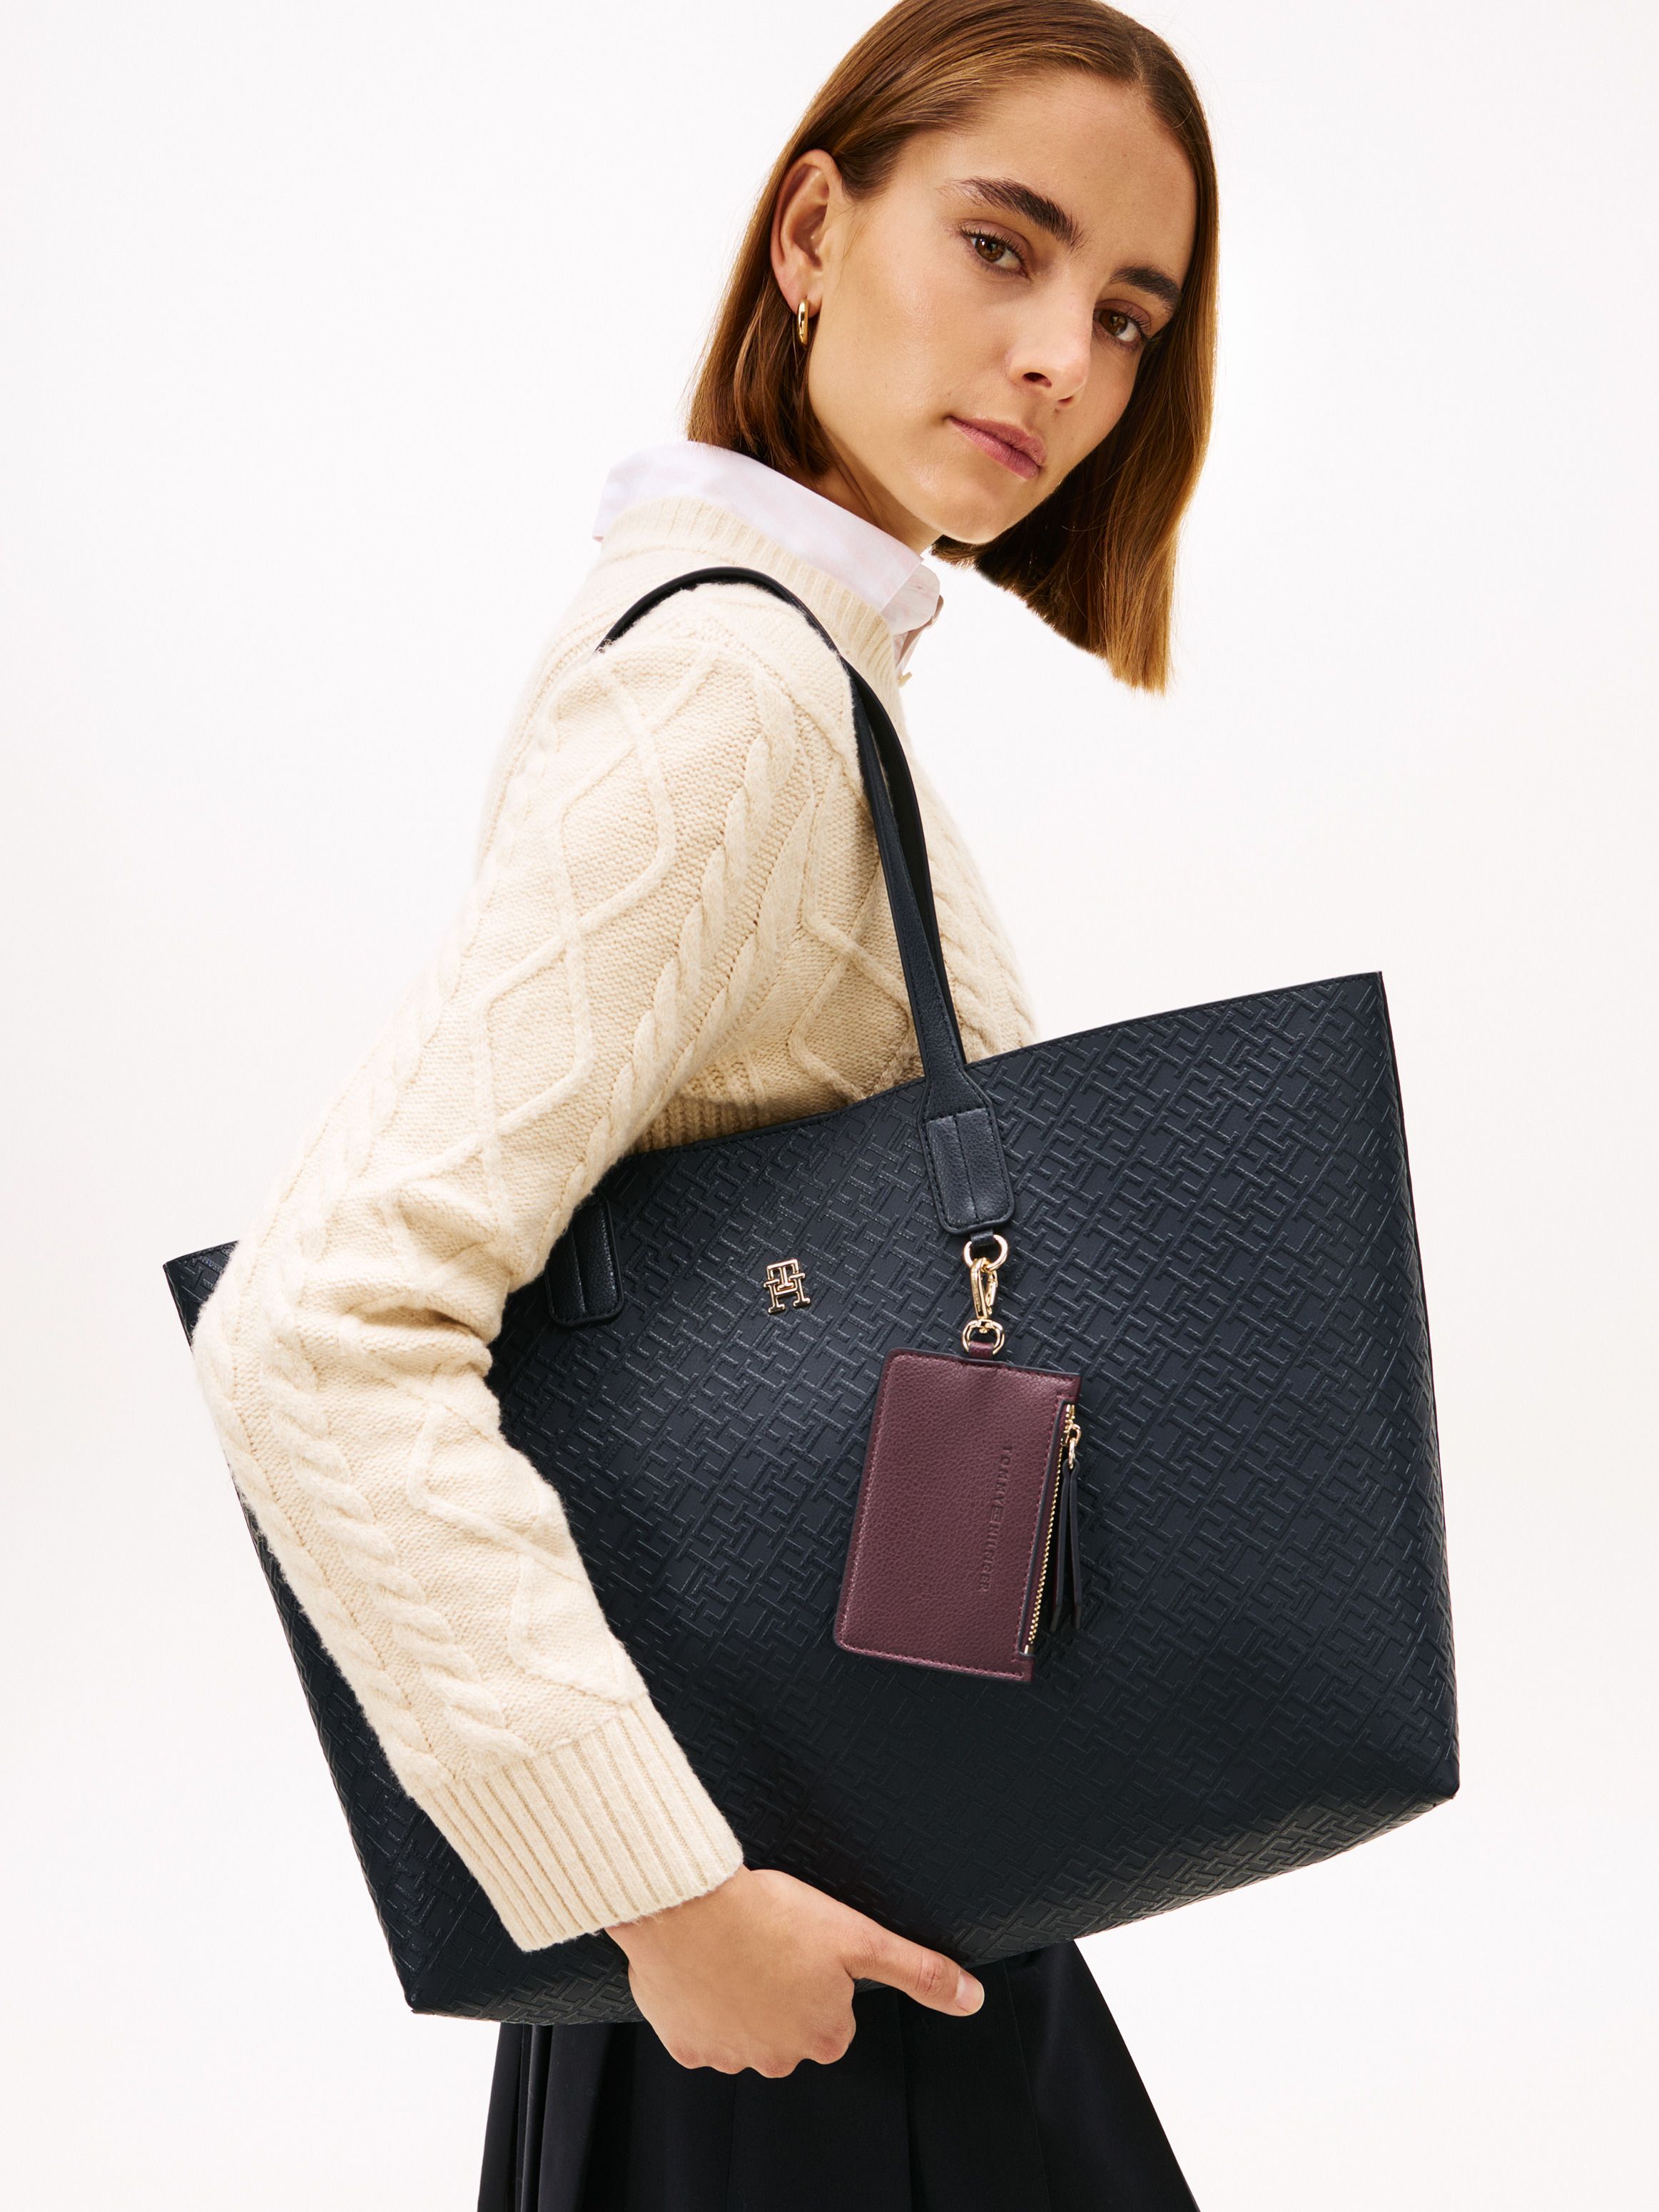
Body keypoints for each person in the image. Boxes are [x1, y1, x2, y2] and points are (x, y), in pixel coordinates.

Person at [188, 2, 1217, 2204]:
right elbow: (313, 1326)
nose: (1063, 358)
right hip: (795, 1949)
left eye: (1129, 315)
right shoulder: (732, 691)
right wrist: (658, 1892)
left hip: (831, 1882)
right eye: (1004, 245)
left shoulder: (792, 661)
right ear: (813, 234)